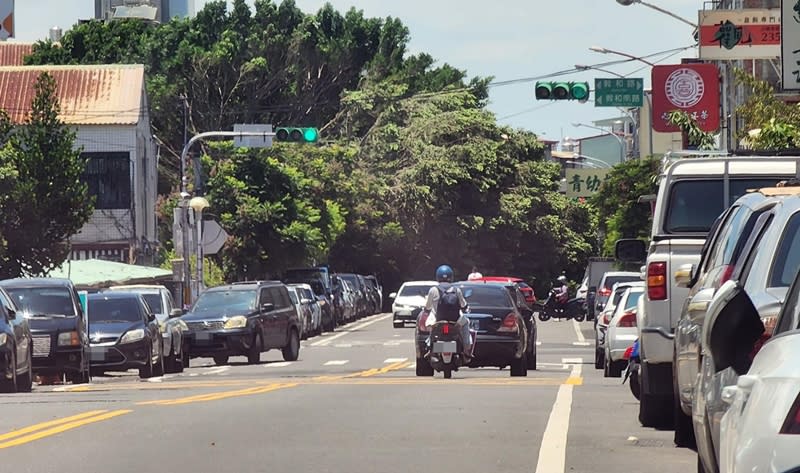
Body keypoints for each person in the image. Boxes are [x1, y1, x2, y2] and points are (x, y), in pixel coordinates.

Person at [424, 265, 473, 359]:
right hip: (455, 321)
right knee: (466, 323)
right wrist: (466, 308)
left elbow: (428, 306)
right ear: (451, 276)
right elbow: (463, 305)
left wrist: (426, 310)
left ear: (437, 277)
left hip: (438, 319)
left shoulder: (433, 290)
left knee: (431, 326)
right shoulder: (456, 290)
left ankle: (430, 347)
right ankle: (467, 348)